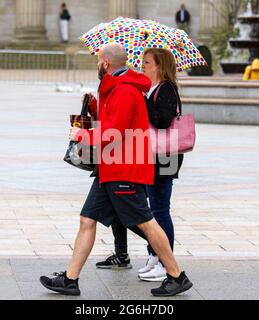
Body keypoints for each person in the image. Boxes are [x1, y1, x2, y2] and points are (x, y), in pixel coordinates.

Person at [40, 43, 193, 297]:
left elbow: (114, 132)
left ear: (106, 64)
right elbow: (114, 120)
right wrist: (92, 107)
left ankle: (177, 275)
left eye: (98, 60)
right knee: (87, 219)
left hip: (124, 169)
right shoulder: (118, 88)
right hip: (111, 168)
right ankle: (70, 279)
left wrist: (83, 134)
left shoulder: (124, 90)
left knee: (146, 222)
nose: (97, 64)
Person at [95, 48, 184, 282]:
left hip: (164, 157)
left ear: (160, 66)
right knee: (152, 210)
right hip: (151, 155)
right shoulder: (152, 88)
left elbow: (163, 120)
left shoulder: (166, 89)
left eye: (147, 62)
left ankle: (165, 263)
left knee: (159, 210)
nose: (142, 65)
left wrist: (141, 101)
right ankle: (155, 258)